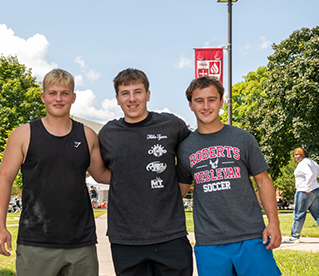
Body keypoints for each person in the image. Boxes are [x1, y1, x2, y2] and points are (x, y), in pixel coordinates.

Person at [0, 68, 110, 276]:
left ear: (73, 97)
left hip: (81, 242)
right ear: (43, 97)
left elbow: (102, 175)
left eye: (65, 93)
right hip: (36, 241)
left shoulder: (87, 136)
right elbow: (4, 180)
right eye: (52, 93)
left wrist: (139, 172)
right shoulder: (23, 135)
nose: (59, 98)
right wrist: (0, 228)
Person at [176, 76, 281, 276]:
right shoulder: (184, 147)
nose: (206, 106)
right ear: (190, 105)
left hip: (251, 236)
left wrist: (273, 223)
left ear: (222, 102)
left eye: (212, 99)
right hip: (210, 242)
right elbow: (178, 192)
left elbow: (263, 180)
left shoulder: (242, 138)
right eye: (199, 101)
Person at [98, 68, 193, 276]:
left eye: (138, 92)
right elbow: (100, 172)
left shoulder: (172, 125)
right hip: (125, 239)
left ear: (148, 95)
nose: (132, 99)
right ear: (117, 99)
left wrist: (181, 187)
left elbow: (191, 155)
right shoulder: (108, 133)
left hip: (170, 235)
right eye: (125, 93)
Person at [283, 147, 319, 243]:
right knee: (317, 214)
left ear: (303, 154)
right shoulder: (312, 162)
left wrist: (308, 188)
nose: (295, 157)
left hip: (304, 192)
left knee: (299, 214)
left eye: (297, 154)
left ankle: (295, 236)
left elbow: (310, 174)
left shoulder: (303, 164)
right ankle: (295, 236)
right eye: (294, 155)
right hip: (316, 191)